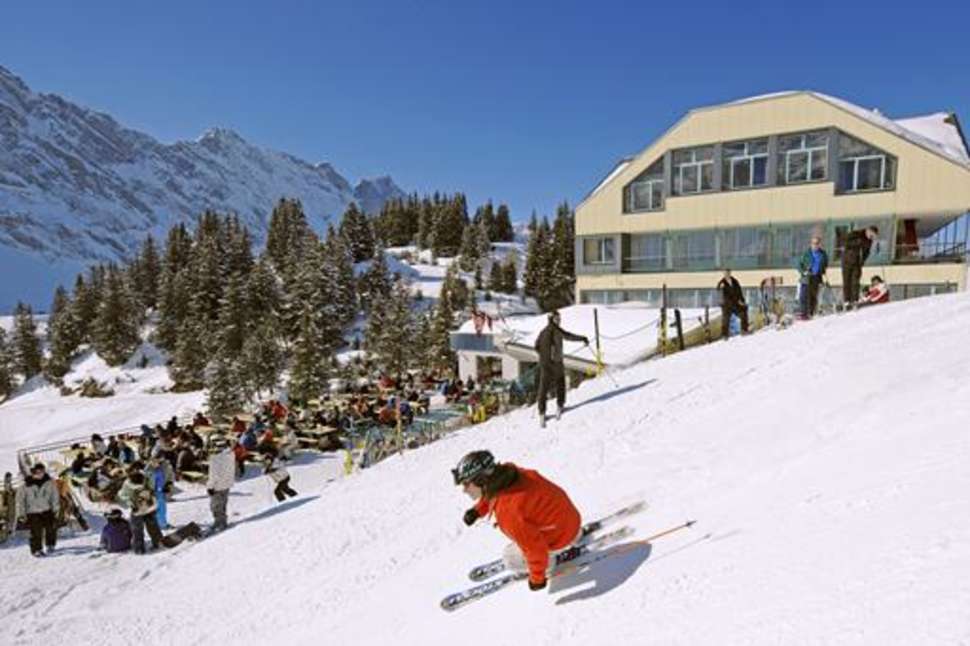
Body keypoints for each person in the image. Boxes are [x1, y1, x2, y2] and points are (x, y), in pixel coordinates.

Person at [455, 451, 582, 591]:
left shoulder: (509, 511)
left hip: (560, 537)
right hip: (569, 520)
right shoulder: (511, 474)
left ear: (480, 480)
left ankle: (554, 559)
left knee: (510, 558)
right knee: (528, 529)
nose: (464, 490)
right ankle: (573, 536)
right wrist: (478, 510)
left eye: (466, 484)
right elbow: (494, 491)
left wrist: (537, 579)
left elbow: (535, 550)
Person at [533, 310, 589, 428]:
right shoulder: (556, 329)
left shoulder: (543, 331)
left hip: (545, 364)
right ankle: (560, 405)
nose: (559, 320)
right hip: (555, 363)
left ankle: (542, 413)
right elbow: (568, 336)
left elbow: (536, 346)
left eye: (559, 318)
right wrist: (583, 338)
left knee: (543, 388)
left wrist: (544, 356)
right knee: (560, 383)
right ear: (551, 319)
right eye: (557, 319)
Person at [15, 463, 60, 556]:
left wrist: (56, 508)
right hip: (33, 512)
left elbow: (54, 496)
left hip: (46, 509)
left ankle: (50, 544)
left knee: (51, 528)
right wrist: (21, 514)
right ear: (33, 473)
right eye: (38, 472)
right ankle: (36, 549)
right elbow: (20, 501)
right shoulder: (25, 486)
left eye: (42, 472)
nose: (40, 474)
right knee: (36, 532)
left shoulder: (49, 483)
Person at [118, 471, 164, 554]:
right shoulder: (128, 484)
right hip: (140, 507)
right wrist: (131, 503)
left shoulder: (146, 480)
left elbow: (152, 489)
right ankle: (144, 546)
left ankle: (155, 543)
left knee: (147, 527)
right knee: (141, 528)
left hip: (146, 507)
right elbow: (123, 495)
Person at [841, 225, 879, 308]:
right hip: (847, 261)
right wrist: (857, 242)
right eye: (871, 235)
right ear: (868, 231)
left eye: (873, 237)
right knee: (847, 281)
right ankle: (847, 301)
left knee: (855, 282)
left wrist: (862, 262)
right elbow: (845, 242)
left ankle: (855, 300)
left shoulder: (869, 241)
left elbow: (866, 252)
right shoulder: (856, 234)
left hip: (857, 263)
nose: (871, 237)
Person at [207, 438, 236, 532]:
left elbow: (213, 475)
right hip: (227, 484)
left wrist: (210, 487)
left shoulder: (215, 459)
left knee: (215, 506)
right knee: (223, 503)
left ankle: (219, 523)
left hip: (217, 486)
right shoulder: (231, 455)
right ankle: (222, 521)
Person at [798, 236, 829, 319]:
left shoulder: (822, 254)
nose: (815, 245)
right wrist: (804, 271)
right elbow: (799, 265)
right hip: (807, 277)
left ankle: (811, 312)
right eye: (813, 243)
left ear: (819, 245)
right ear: (811, 244)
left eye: (817, 243)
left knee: (813, 295)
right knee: (804, 295)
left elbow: (825, 263)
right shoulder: (806, 254)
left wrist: (822, 270)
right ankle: (803, 313)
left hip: (816, 277)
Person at [716, 268, 749, 339]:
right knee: (725, 319)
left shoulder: (735, 281)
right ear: (724, 274)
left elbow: (739, 292)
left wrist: (742, 301)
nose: (727, 274)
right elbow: (719, 292)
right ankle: (724, 335)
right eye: (725, 273)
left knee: (743, 312)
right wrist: (722, 302)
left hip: (736, 303)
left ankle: (744, 330)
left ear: (730, 273)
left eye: (728, 273)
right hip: (727, 305)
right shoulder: (722, 283)